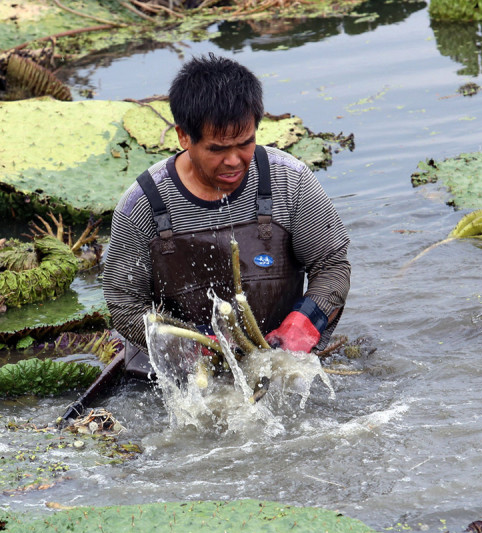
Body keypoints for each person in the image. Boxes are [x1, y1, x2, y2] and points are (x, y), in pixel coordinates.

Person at [102, 53, 350, 368]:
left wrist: (302, 326)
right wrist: (195, 347)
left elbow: (332, 266)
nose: (233, 161)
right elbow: (125, 306)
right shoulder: (142, 206)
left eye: (244, 144)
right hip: (193, 367)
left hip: (279, 355)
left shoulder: (290, 181)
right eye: (217, 149)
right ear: (183, 137)